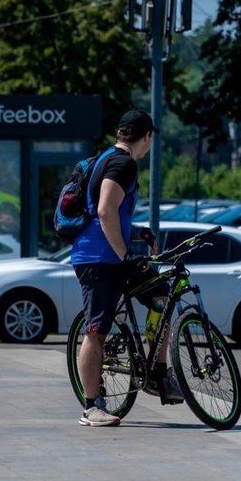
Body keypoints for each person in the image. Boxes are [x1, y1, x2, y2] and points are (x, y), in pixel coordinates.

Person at [72, 109, 183, 427]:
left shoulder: (106, 157)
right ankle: (91, 406)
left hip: (108, 255)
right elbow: (105, 211)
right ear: (146, 137)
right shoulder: (123, 163)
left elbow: (107, 214)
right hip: (97, 259)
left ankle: (157, 373)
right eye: (151, 139)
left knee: (161, 298)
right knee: (96, 331)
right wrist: (124, 255)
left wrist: (137, 234)